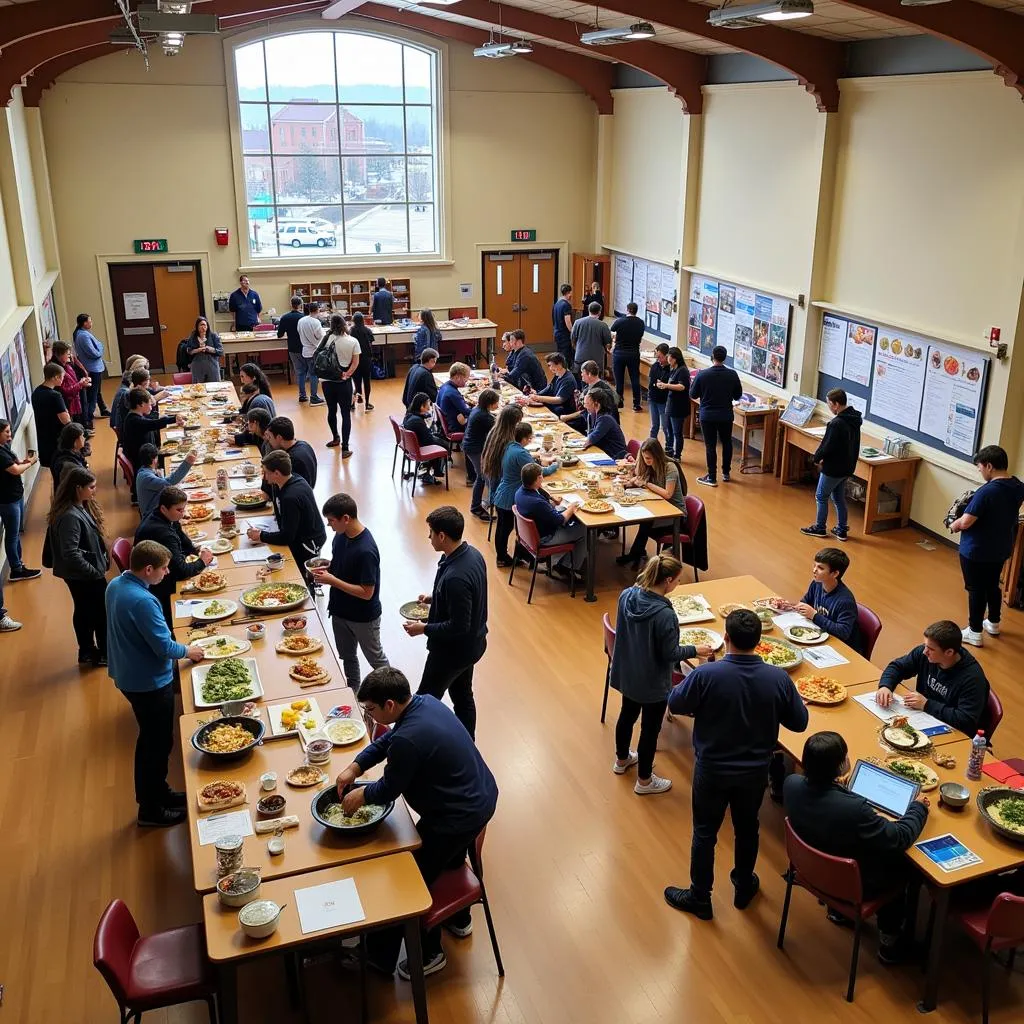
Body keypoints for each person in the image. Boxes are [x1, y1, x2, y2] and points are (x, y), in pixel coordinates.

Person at [334, 667, 498, 977]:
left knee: (405, 876)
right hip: (480, 796)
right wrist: (356, 767)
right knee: (447, 858)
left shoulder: (409, 738)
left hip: (458, 815)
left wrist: (361, 796)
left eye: (371, 709)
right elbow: (387, 743)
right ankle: (460, 920)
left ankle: (408, 954)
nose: (369, 714)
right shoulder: (424, 703)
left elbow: (389, 789)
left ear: (390, 705)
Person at [666, 609, 809, 919]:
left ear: (726, 638)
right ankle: (744, 885)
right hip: (755, 772)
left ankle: (700, 896)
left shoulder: (707, 675)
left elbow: (675, 703)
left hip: (712, 769)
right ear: (759, 642)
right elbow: (799, 723)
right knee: (748, 829)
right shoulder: (778, 679)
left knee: (705, 832)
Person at [784, 731, 928, 963]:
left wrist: (839, 788)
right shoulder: (855, 810)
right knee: (903, 863)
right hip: (854, 884)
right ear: (841, 765)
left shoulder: (791, 784)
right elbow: (899, 836)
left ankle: (838, 912)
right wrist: (918, 808)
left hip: (811, 869)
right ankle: (890, 942)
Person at [106, 539, 205, 827]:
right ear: (148, 569)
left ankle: (159, 792)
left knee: (151, 739)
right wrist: (190, 651)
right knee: (157, 743)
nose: (166, 573)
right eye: (163, 569)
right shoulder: (144, 601)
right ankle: (150, 809)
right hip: (148, 680)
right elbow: (164, 646)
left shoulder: (116, 585)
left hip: (127, 672)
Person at [612, 554, 713, 794]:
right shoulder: (665, 615)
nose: (678, 585)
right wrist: (695, 649)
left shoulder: (627, 595)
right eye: (678, 580)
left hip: (628, 672)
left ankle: (621, 759)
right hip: (652, 682)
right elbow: (671, 653)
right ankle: (644, 781)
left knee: (627, 715)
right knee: (650, 729)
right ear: (667, 580)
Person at [403, 506, 488, 740]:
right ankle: (468, 744)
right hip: (473, 646)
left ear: (442, 536)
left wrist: (424, 629)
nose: (428, 537)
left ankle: (413, 744)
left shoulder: (455, 578)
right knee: (462, 695)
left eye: (431, 532)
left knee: (423, 701)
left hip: (452, 652)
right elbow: (471, 595)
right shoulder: (471, 555)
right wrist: (435, 597)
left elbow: (459, 626)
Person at [312, 493, 390, 689]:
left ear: (345, 519)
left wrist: (332, 580)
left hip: (363, 617)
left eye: (331, 521)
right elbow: (340, 563)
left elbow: (367, 592)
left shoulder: (366, 550)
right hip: (340, 611)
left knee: (376, 661)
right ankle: (353, 691)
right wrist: (328, 568)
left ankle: (393, 693)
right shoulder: (340, 536)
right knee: (348, 657)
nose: (329, 525)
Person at [950, 444, 1024, 646]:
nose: (980, 471)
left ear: (989, 466)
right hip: (1000, 547)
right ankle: (993, 622)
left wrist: (953, 524)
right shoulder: (1018, 486)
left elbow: (965, 522)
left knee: (975, 589)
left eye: (980, 467)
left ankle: (974, 632)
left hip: (976, 550)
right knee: (992, 585)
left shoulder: (987, 492)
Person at [875, 620, 990, 735]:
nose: (925, 652)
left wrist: (927, 705)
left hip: (951, 732)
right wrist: (885, 686)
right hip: (922, 718)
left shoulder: (973, 679)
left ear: (949, 652)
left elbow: (965, 720)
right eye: (925, 645)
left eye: (931, 649)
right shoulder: (925, 654)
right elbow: (898, 667)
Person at [46, 467, 110, 667]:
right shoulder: (70, 517)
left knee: (85, 610)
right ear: (77, 488)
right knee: (98, 613)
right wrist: (94, 573)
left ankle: (88, 651)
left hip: (84, 572)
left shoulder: (78, 507)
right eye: (91, 487)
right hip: (83, 574)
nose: (94, 491)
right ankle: (99, 653)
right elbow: (70, 553)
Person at [135, 485, 213, 626]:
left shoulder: (164, 516)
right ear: (164, 508)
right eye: (179, 510)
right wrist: (203, 562)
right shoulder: (163, 533)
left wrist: (196, 550)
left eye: (183, 509)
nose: (183, 514)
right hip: (158, 586)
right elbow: (181, 571)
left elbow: (183, 541)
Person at [246, 450, 326, 580]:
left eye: (265, 472)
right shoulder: (286, 481)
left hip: (307, 544)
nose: (264, 477)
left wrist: (261, 536)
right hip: (298, 535)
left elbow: (287, 537)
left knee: (297, 576)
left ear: (277, 473)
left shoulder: (290, 497)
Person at [490, 420, 556, 568]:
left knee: (503, 527)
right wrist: (554, 466)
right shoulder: (520, 453)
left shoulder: (509, 447)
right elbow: (539, 471)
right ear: (525, 439)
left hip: (503, 492)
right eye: (530, 438)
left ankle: (512, 555)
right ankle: (503, 557)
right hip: (509, 497)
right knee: (505, 528)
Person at [800, 388, 862, 541]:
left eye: (829, 404)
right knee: (839, 498)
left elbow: (827, 446)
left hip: (833, 468)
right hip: (847, 467)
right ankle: (841, 529)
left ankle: (820, 527)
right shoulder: (854, 419)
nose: (828, 407)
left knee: (821, 496)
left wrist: (816, 458)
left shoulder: (836, 423)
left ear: (836, 404)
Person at [616, 439, 687, 568]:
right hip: (660, 505)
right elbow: (639, 476)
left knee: (646, 521)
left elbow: (667, 494)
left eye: (649, 458)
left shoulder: (670, 467)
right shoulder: (649, 465)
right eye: (644, 458)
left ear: (657, 455)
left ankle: (636, 555)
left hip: (675, 513)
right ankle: (636, 553)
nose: (646, 461)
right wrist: (631, 481)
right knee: (645, 520)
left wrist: (647, 484)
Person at [784, 547, 864, 653]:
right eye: (814, 565)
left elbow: (843, 632)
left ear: (835, 573)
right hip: (820, 637)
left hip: (840, 648)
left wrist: (815, 616)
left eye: (820, 568)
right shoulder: (816, 583)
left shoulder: (845, 601)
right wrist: (789, 606)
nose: (814, 570)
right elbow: (805, 602)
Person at [514, 461, 586, 577]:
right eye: (541, 476)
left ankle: (561, 560)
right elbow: (559, 520)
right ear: (538, 478)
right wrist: (571, 508)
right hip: (544, 537)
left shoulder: (519, 492)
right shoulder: (537, 502)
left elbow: (542, 510)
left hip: (531, 535)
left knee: (562, 509)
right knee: (584, 530)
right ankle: (567, 567)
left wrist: (552, 503)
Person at [691, 345, 743, 487]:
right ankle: (726, 473)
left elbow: (693, 394)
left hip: (707, 416)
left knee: (710, 445)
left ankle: (712, 477)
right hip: (726, 415)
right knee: (727, 443)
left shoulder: (702, 374)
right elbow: (738, 395)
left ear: (712, 356)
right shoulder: (732, 374)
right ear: (725, 357)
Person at [0, 418, 40, 580]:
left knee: (15, 534)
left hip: (15, 496)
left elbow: (14, 463)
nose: (10, 435)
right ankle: (16, 569)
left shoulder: (4, 448)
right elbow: (15, 470)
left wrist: (24, 461)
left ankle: (19, 565)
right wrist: (30, 463)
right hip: (8, 500)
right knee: (12, 536)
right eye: (7, 432)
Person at [317, 314, 359, 456]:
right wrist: (347, 374)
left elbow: (318, 356)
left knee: (331, 410)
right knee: (345, 414)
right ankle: (345, 448)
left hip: (327, 382)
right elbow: (355, 363)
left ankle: (335, 437)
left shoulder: (326, 340)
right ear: (344, 324)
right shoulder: (352, 341)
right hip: (343, 382)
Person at [121, 387, 183, 482]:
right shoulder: (135, 421)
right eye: (149, 404)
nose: (151, 406)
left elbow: (151, 420)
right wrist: (174, 418)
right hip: (143, 462)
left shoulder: (134, 416)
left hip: (146, 456)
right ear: (140, 404)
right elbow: (153, 424)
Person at [134, 442, 197, 520]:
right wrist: (187, 463)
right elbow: (170, 482)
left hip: (151, 511)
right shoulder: (147, 477)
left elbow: (164, 483)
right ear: (154, 460)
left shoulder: (143, 472)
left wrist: (161, 477)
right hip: (152, 517)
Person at [463, 388, 499, 522]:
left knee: (484, 476)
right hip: (475, 449)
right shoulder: (484, 417)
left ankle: (488, 501)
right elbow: (498, 430)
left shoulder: (477, 410)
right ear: (490, 404)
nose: (497, 405)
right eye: (496, 402)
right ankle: (476, 506)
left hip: (472, 446)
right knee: (482, 476)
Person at [31, 362, 73, 468]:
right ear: (55, 377)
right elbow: (65, 419)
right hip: (57, 437)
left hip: (44, 436)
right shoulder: (55, 396)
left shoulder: (36, 392)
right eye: (62, 377)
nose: (63, 379)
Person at [52, 341, 91, 448]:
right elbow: (65, 391)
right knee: (72, 430)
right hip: (68, 402)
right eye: (67, 353)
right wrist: (80, 384)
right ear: (59, 354)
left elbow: (73, 381)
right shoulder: (58, 369)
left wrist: (81, 382)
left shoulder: (67, 365)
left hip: (74, 400)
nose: (69, 355)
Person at [72, 312, 108, 425]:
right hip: (92, 368)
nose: (91, 323)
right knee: (92, 394)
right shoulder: (83, 335)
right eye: (89, 321)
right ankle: (88, 418)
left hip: (93, 367)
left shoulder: (83, 333)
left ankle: (103, 409)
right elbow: (94, 353)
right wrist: (101, 348)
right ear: (84, 323)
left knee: (96, 392)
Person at [561, 360, 618, 431]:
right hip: (591, 419)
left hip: (599, 424)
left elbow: (586, 411)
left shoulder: (598, 391)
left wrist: (567, 417)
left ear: (590, 374)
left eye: (582, 372)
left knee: (565, 426)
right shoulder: (593, 385)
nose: (581, 374)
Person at [403, 392, 446, 485]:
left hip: (410, 445)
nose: (429, 407)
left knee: (439, 437)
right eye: (428, 404)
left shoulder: (409, 414)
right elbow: (429, 440)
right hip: (419, 447)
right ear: (421, 407)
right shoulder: (418, 421)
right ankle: (435, 471)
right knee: (443, 444)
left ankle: (428, 469)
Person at [264, 416, 317, 488]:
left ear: (279, 437)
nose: (268, 440)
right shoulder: (305, 444)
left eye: (270, 437)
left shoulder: (291, 459)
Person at [611, 301, 645, 412]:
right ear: (636, 311)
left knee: (619, 379)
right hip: (633, 353)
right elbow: (639, 338)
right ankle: (636, 404)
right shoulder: (640, 323)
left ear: (627, 309)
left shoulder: (620, 321)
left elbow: (612, 330)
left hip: (619, 353)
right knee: (635, 378)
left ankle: (619, 402)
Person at [659, 347, 690, 459]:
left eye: (669, 358)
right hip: (670, 403)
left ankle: (677, 454)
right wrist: (663, 384)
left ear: (675, 358)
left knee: (677, 432)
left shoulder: (683, 370)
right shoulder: (673, 369)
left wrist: (667, 385)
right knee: (668, 429)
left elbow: (682, 387)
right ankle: (669, 450)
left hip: (678, 406)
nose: (668, 359)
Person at [583, 391, 628, 460]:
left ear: (597, 404)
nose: (585, 406)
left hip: (615, 457)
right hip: (607, 454)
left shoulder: (605, 419)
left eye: (587, 404)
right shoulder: (599, 416)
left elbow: (590, 439)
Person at [571, 301, 611, 377]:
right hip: (597, 360)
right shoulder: (603, 325)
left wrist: (577, 348)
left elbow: (573, 339)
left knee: (580, 381)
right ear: (599, 312)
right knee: (596, 384)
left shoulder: (577, 322)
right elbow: (608, 344)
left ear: (589, 310)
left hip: (580, 357)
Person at [530, 353, 577, 418]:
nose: (550, 368)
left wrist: (538, 398)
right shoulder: (557, 375)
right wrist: (537, 394)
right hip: (555, 407)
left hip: (563, 411)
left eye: (551, 365)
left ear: (560, 364)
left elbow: (559, 400)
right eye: (549, 366)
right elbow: (549, 388)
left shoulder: (568, 379)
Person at [295, 304, 325, 405]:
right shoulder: (315, 322)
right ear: (317, 310)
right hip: (314, 351)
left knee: (303, 373)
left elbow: (299, 332)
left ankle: (302, 394)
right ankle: (314, 397)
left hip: (305, 350)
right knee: (314, 374)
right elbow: (320, 336)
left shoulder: (301, 320)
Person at [277, 296, 306, 398]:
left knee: (299, 371)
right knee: (310, 371)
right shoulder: (304, 317)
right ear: (300, 305)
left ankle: (302, 395)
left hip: (293, 347)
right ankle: (313, 395)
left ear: (291, 304)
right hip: (305, 347)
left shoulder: (285, 317)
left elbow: (279, 334)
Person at [50, 422, 89, 491]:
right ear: (74, 441)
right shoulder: (68, 464)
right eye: (82, 436)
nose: (84, 438)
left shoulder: (62, 451)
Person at [436, 362, 472, 437]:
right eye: (466, 378)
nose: (467, 381)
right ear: (458, 377)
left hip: (446, 424)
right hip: (454, 427)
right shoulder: (452, 393)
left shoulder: (444, 386)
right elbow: (468, 411)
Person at [350, 311, 376, 410]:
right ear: (363, 320)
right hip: (366, 359)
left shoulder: (351, 331)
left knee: (356, 382)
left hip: (355, 359)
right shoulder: (368, 330)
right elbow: (371, 344)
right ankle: (367, 403)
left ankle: (353, 404)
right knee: (367, 382)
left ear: (353, 321)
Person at [185, 316, 223, 384]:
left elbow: (221, 351)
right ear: (197, 326)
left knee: (214, 385)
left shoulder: (213, 336)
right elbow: (188, 350)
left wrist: (211, 349)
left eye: (204, 325)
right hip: (197, 365)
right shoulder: (193, 337)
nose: (203, 327)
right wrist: (197, 350)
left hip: (212, 364)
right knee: (198, 386)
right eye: (201, 325)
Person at [646, 344, 671, 446]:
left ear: (666, 356)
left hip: (664, 401)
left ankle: (669, 447)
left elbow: (668, 384)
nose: (658, 359)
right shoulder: (655, 366)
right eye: (657, 356)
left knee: (665, 427)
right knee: (654, 425)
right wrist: (657, 384)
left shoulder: (671, 368)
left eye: (660, 356)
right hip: (653, 398)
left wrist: (661, 384)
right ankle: (651, 446)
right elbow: (652, 382)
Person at [552, 282, 574, 363]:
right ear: (568, 293)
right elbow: (567, 321)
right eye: (571, 292)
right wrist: (573, 332)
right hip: (564, 335)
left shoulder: (556, 304)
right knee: (566, 357)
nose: (571, 295)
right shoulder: (566, 305)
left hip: (557, 333)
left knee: (560, 355)